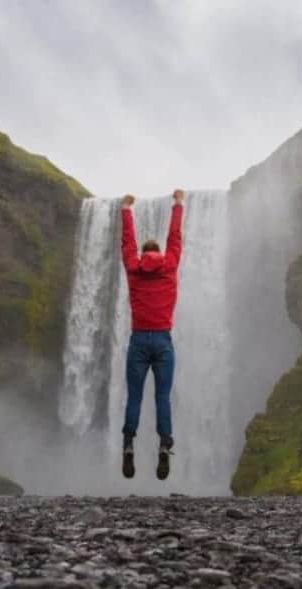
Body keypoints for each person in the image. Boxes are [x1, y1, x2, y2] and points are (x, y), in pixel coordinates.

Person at [119, 189, 185, 480]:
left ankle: (128, 444)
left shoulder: (133, 268)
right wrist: (178, 205)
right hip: (162, 341)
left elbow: (126, 243)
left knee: (134, 397)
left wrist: (126, 210)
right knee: (162, 397)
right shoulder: (170, 265)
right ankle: (164, 444)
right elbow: (175, 238)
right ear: (158, 253)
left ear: (141, 254)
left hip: (138, 340)